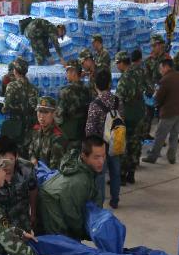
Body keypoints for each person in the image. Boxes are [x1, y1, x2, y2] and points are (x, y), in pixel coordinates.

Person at [37, 134, 105, 239]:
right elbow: (73, 217)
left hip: (56, 203)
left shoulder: (83, 168)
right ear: (84, 156)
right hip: (51, 213)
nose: (101, 161)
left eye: (103, 156)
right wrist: (86, 234)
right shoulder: (79, 181)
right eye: (96, 157)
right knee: (65, 246)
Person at [86, 69, 121, 209]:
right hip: (116, 142)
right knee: (115, 172)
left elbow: (89, 129)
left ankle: (99, 205)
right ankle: (115, 200)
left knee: (100, 175)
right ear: (109, 84)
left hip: (100, 145)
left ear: (95, 86)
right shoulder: (118, 101)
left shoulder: (95, 104)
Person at [142, 57, 179, 165]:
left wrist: (154, 102)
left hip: (168, 113)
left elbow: (158, 98)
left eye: (161, 68)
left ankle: (153, 156)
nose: (160, 70)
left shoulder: (165, 80)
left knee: (160, 135)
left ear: (166, 67)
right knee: (174, 136)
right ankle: (172, 157)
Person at [0, 135, 38, 232]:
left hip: (22, 216)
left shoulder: (27, 168)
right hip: (1, 220)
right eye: (2, 161)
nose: (6, 166)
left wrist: (33, 213)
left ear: (16, 156)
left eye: (10, 160)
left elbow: (33, 189)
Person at [116, 50, 145, 185]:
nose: (117, 66)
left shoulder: (124, 78)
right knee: (136, 143)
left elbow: (119, 100)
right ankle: (131, 173)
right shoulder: (139, 72)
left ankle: (121, 175)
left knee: (123, 145)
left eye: (117, 63)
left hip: (127, 114)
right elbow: (149, 88)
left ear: (122, 63)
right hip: (139, 112)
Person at [0, 56, 38, 154]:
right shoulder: (34, 89)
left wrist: (0, 108)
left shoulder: (12, 86)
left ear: (15, 71)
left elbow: (6, 108)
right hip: (30, 127)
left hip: (16, 127)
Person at [57, 61, 92, 150]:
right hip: (83, 134)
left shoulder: (65, 91)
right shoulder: (87, 90)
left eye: (68, 71)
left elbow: (59, 116)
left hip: (69, 135)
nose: (66, 74)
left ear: (74, 72)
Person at [29, 96, 67, 170]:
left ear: (53, 114)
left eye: (46, 112)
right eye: (39, 111)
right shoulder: (36, 130)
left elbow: (54, 170)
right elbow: (31, 149)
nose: (42, 116)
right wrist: (33, 159)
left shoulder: (58, 138)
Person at [143, 35, 169, 138]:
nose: (153, 48)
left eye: (155, 46)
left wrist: (160, 87)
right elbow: (146, 76)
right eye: (152, 46)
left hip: (163, 91)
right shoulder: (149, 60)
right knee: (148, 115)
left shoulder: (167, 59)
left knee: (162, 116)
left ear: (161, 45)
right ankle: (145, 134)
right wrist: (152, 87)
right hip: (151, 92)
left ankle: (160, 138)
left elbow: (169, 75)